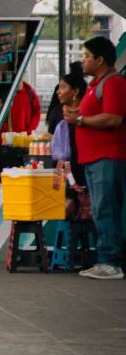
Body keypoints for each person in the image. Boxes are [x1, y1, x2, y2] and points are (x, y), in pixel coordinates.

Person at [66, 36, 125, 280]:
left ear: (100, 60)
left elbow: (113, 118)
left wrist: (80, 120)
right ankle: (106, 258)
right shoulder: (94, 85)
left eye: (87, 56)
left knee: (105, 209)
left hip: (107, 157)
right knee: (102, 209)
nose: (83, 61)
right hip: (93, 158)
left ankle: (110, 262)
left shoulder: (113, 84)